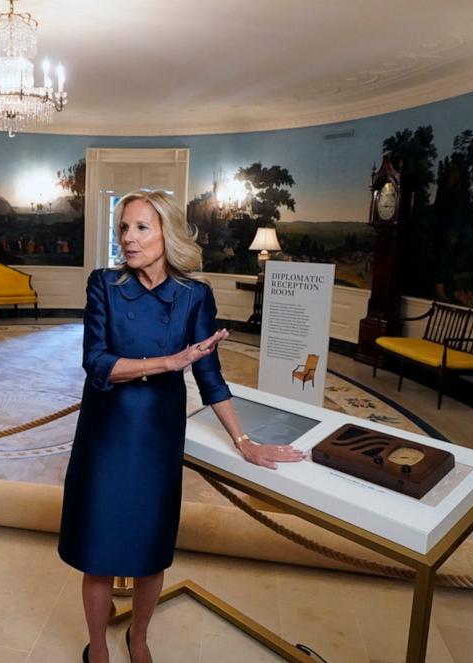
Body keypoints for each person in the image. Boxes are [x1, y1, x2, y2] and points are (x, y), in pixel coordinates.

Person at [58, 189, 306, 663]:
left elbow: (211, 378)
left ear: (167, 233)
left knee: (151, 550)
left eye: (140, 228)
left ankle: (139, 638)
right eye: (123, 229)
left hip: (156, 439)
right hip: (106, 436)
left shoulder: (195, 296)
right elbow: (97, 364)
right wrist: (171, 361)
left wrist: (244, 440)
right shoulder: (104, 285)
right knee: (99, 550)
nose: (128, 239)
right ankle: (98, 649)